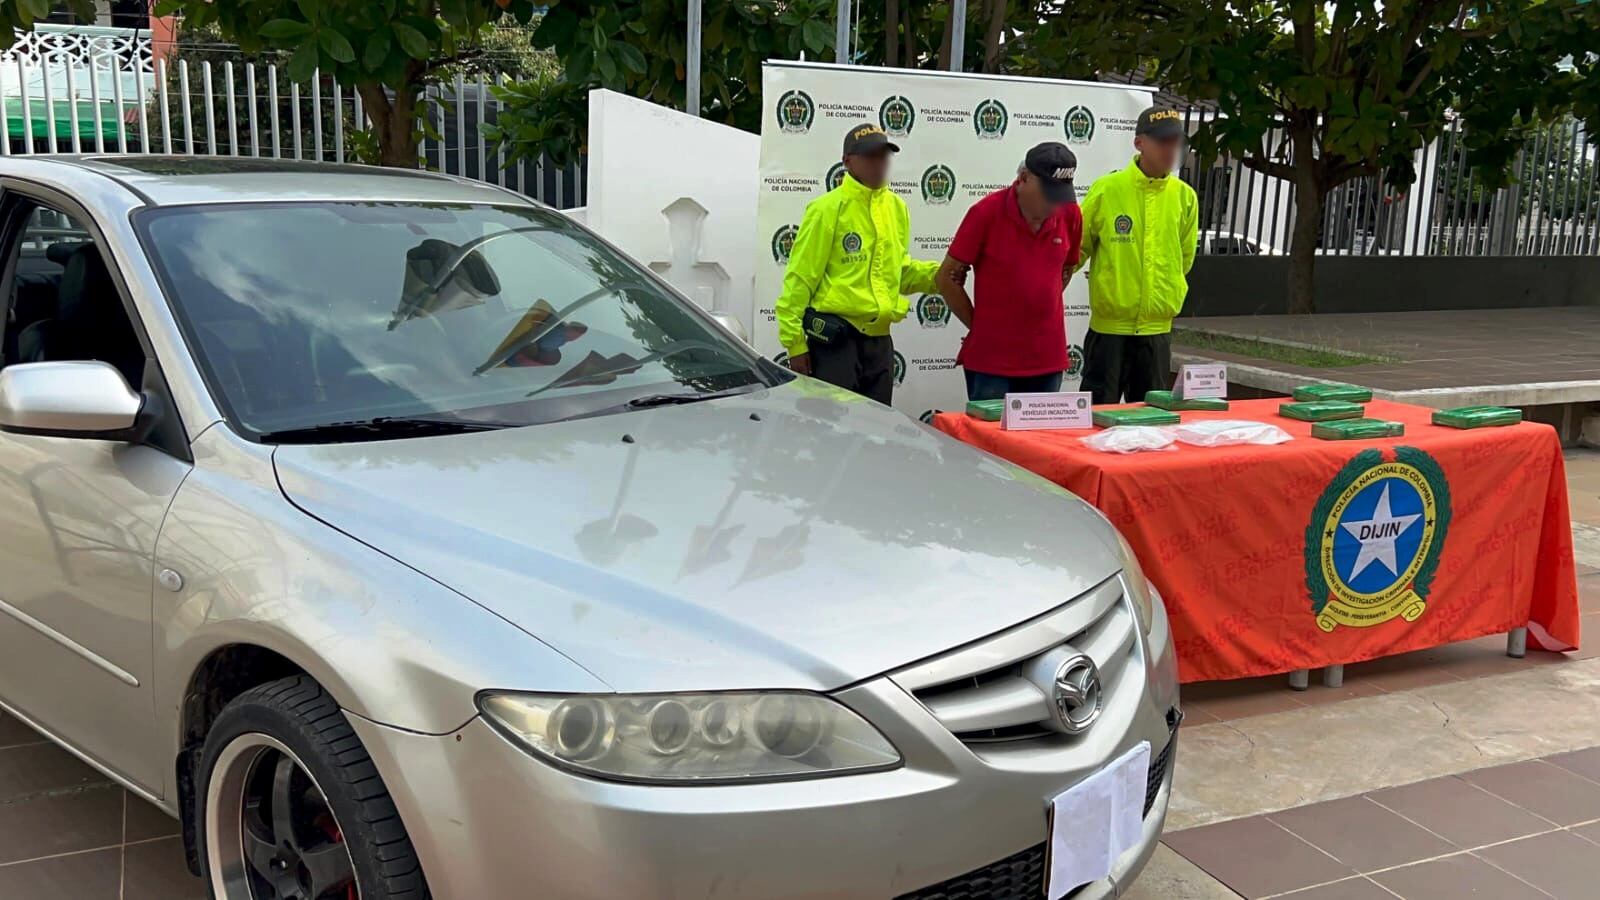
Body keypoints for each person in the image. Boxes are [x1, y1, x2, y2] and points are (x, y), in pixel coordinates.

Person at [774, 123, 940, 404]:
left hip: (880, 342)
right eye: (870, 156)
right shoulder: (826, 209)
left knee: (876, 432)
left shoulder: (896, 208)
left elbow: (897, 274)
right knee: (836, 432)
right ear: (848, 161)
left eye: (884, 156)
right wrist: (795, 344)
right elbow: (800, 279)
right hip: (837, 342)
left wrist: (943, 275)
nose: (879, 163)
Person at [935, 142, 1084, 401]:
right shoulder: (985, 213)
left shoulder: (1070, 214)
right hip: (992, 362)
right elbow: (946, 277)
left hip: (1047, 358)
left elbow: (1068, 267)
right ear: (1024, 178)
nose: (1054, 205)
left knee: (1039, 441)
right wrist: (979, 326)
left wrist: (1039, 304)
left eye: (1060, 196)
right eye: (1048, 194)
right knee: (987, 441)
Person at [1077, 105, 1199, 404]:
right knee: (1095, 417)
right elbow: (1078, 247)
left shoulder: (1185, 197)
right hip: (1109, 330)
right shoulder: (1107, 189)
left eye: (1176, 142)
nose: (1171, 150)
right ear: (1139, 143)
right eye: (1162, 141)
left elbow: (1183, 259)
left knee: (1148, 422)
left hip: (1156, 332)